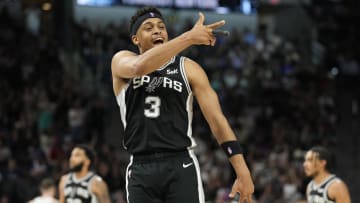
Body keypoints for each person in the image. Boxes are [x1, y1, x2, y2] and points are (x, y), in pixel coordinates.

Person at [111, 6, 254, 203]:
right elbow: (139, 67)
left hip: (180, 164)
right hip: (140, 166)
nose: (157, 30)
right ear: (136, 39)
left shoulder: (189, 68)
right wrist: (189, 38)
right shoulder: (123, 60)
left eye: (161, 26)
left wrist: (242, 169)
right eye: (149, 27)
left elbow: (217, 120)